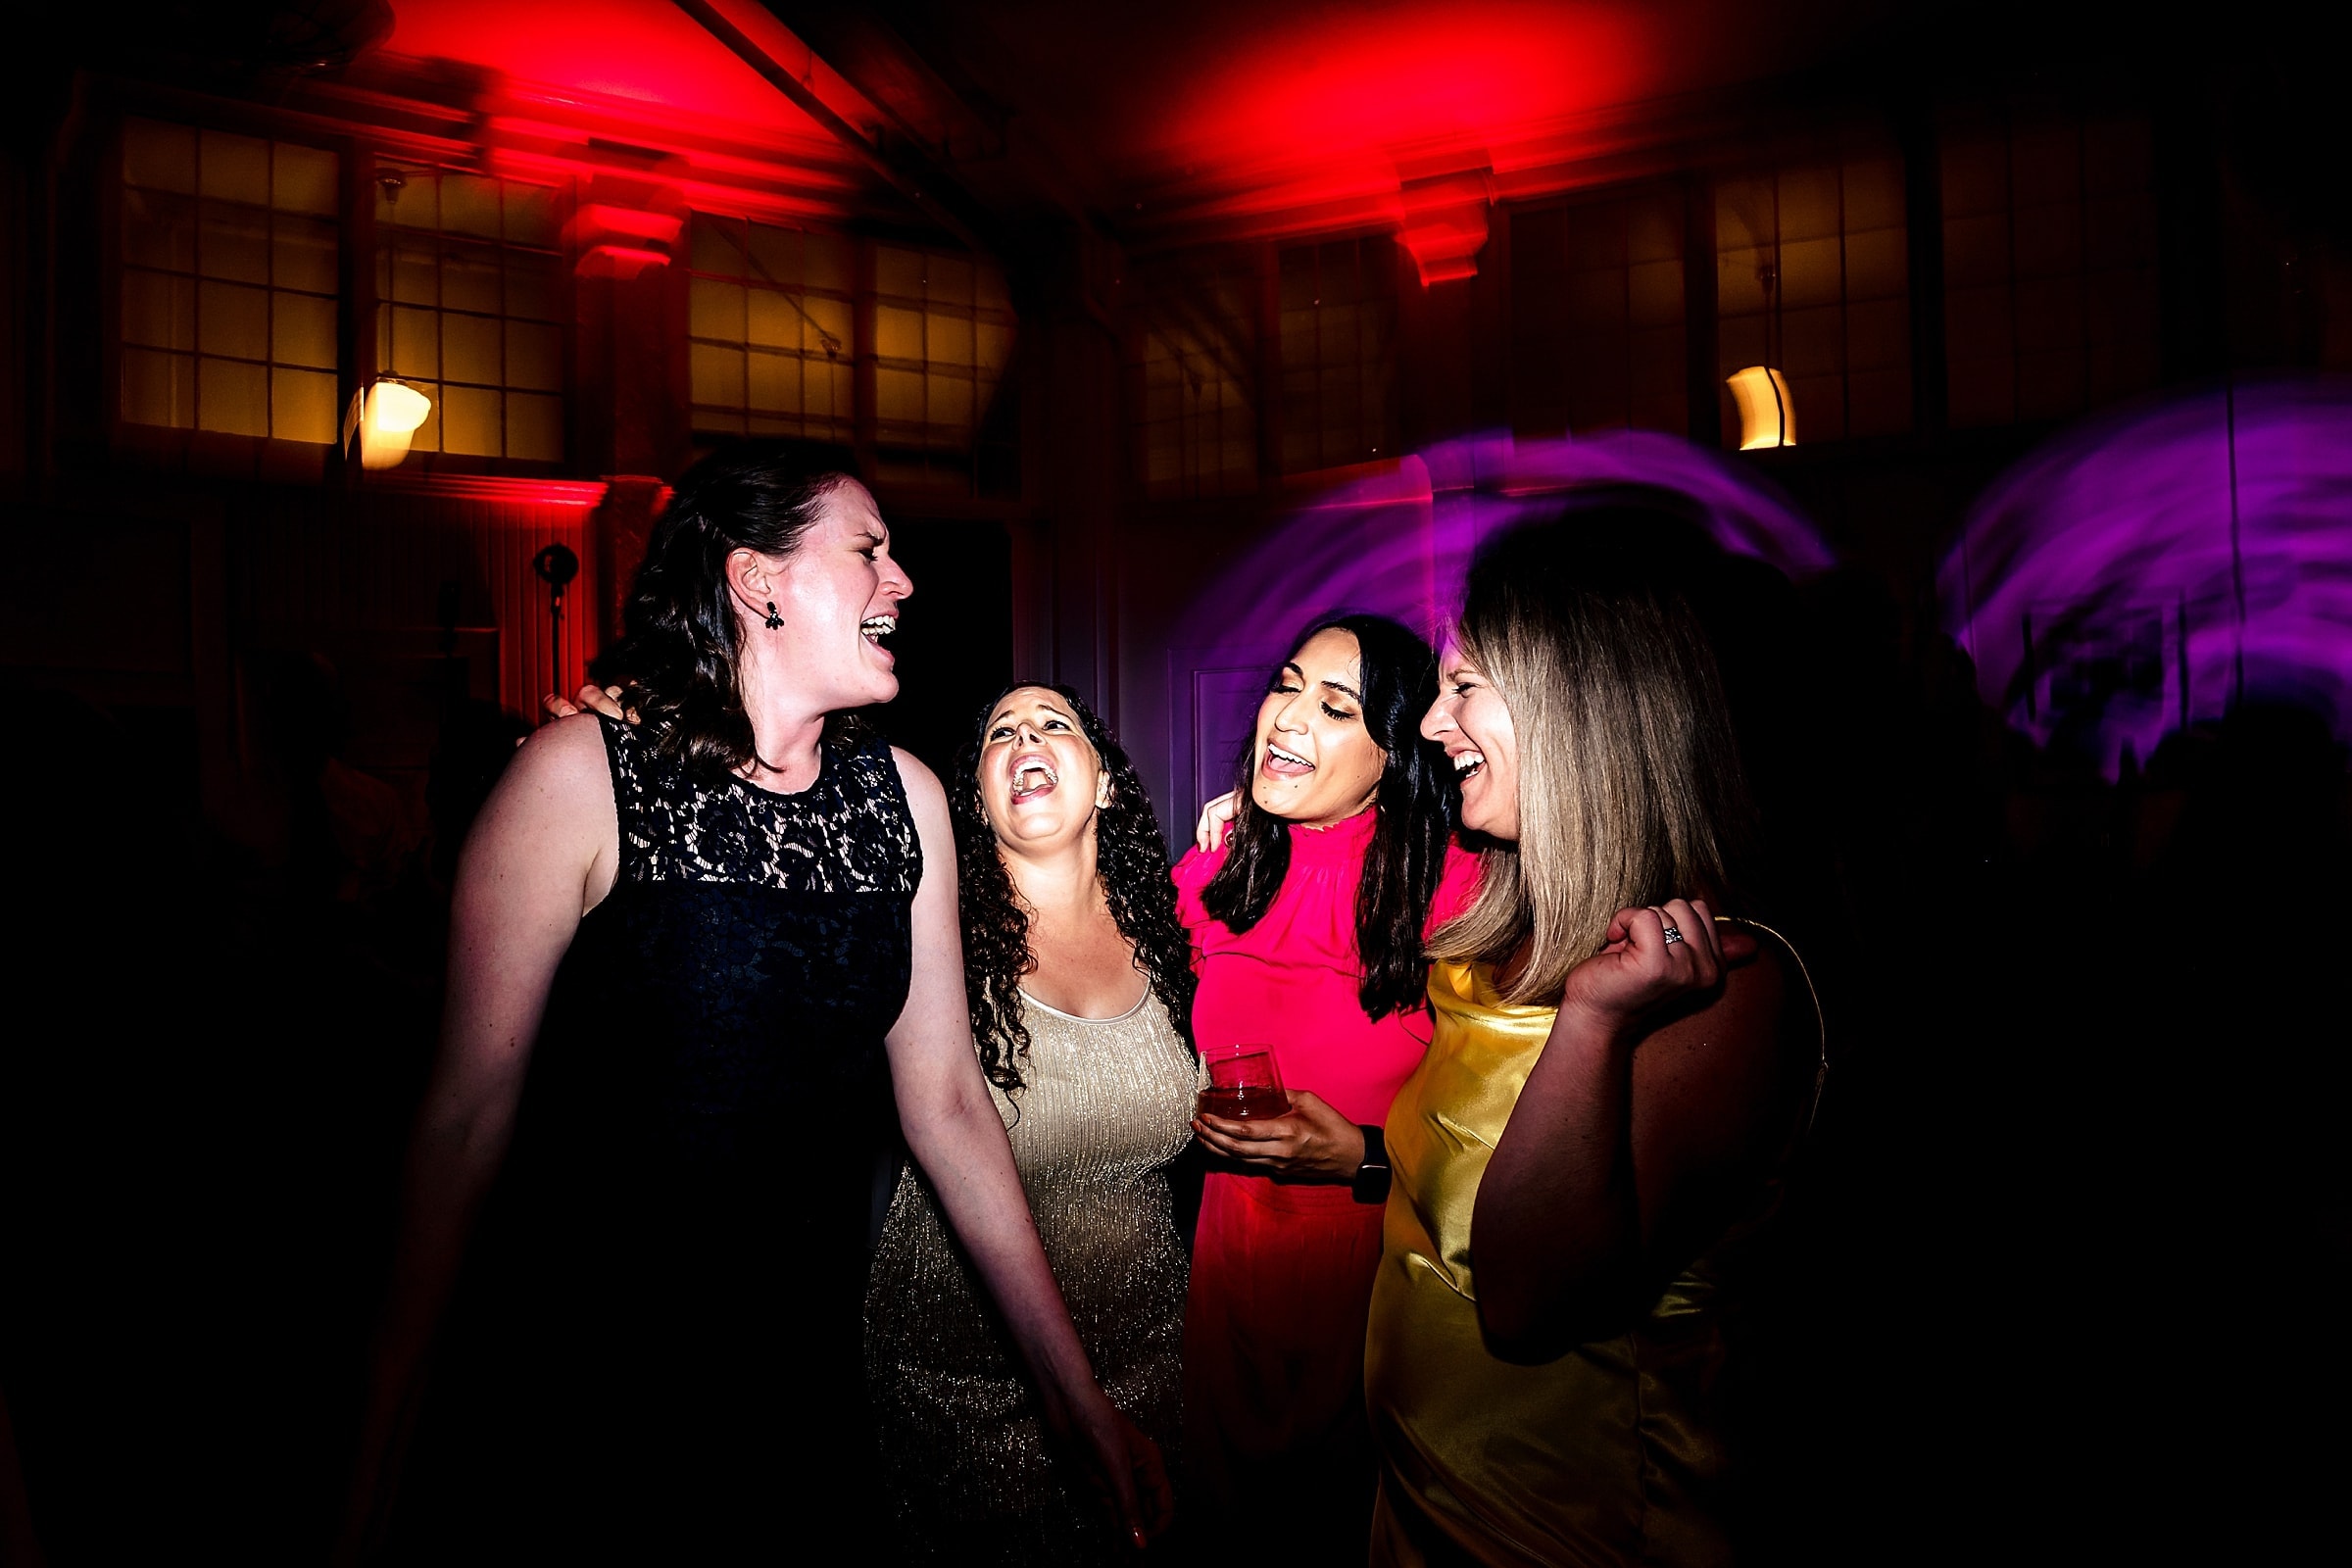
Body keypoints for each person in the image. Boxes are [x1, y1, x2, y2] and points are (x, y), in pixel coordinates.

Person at [339, 446, 1162, 1562]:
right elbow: (462, 1125)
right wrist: (379, 1446)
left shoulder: (905, 800)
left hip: (804, 1378)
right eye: (869, 550)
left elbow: (949, 1105)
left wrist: (1071, 1395)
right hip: (587, 1376)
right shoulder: (576, 780)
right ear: (756, 579)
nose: (902, 580)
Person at [1369, 506, 1825, 1567]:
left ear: (1578, 705)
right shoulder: (1496, 938)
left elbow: (1530, 1301)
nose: (1433, 724)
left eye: (1465, 685)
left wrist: (1593, 1021)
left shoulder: (1723, 985)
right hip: (1420, 1512)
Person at [863, 682, 1195, 1564]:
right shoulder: (929, 938)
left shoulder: (1180, 929)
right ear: (977, 799)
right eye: (1000, 734)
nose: (1026, 740)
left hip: (1151, 1359)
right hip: (962, 1380)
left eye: (1054, 725)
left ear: (1107, 783)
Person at [1175, 613, 1480, 1562]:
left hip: (1379, 1287)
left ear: (1394, 751)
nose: (1288, 715)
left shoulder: (1460, 889)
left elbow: (1511, 1148)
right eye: (1286, 685)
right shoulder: (1219, 866)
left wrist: (1363, 1155)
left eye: (1336, 707)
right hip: (1226, 1270)